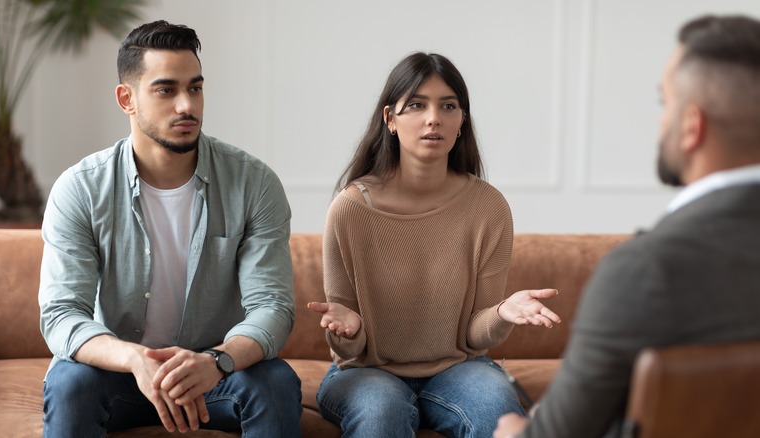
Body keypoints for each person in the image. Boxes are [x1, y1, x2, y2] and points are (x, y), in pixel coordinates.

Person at [495, 14, 760, 438]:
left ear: (692, 126)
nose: (661, 122)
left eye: (665, 103)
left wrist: (512, 430)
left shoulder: (645, 271)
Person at [38, 20, 301, 438]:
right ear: (127, 98)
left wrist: (218, 360)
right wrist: (134, 359)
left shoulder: (253, 182)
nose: (186, 106)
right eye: (166, 90)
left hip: (214, 373)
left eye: (194, 88)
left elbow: (272, 306)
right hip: (120, 372)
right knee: (71, 384)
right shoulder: (81, 188)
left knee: (275, 382)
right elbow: (61, 314)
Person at [306, 52, 562, 438]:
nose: (433, 118)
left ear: (462, 121)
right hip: (366, 370)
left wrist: (503, 313)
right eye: (416, 105)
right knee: (381, 414)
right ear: (390, 119)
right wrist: (350, 330)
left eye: (448, 106)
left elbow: (473, 336)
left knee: (496, 407)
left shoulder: (488, 207)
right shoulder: (350, 209)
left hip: (458, 368)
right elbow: (347, 347)